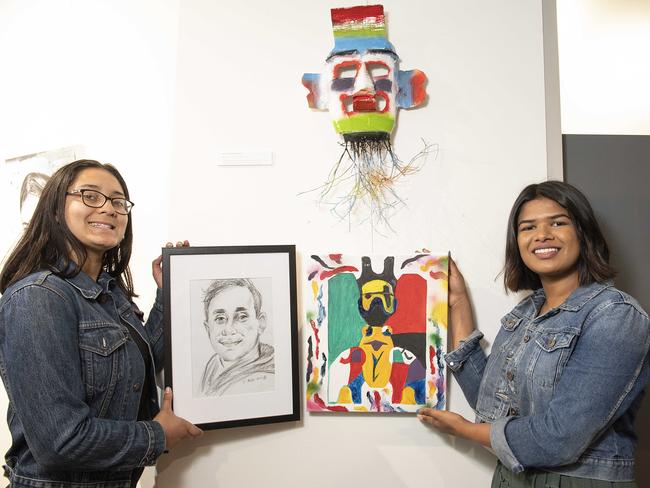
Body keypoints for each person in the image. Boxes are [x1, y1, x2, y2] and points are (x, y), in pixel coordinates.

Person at [418, 181, 649, 487]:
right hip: (511, 477)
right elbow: (490, 405)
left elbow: (560, 438)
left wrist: (465, 431)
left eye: (557, 222)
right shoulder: (526, 312)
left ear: (583, 232)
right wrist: (458, 302)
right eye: (528, 227)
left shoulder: (616, 315)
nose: (542, 235)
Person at [0, 159, 202, 488]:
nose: (109, 209)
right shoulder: (39, 296)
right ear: (54, 210)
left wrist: (167, 294)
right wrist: (158, 435)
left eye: (119, 201)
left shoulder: (109, 293)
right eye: (91, 196)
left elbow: (143, 363)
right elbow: (61, 441)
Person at [200, 278, 275, 396]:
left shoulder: (269, 379)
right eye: (220, 318)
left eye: (242, 317)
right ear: (208, 328)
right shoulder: (213, 365)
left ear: (260, 323)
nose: (229, 330)